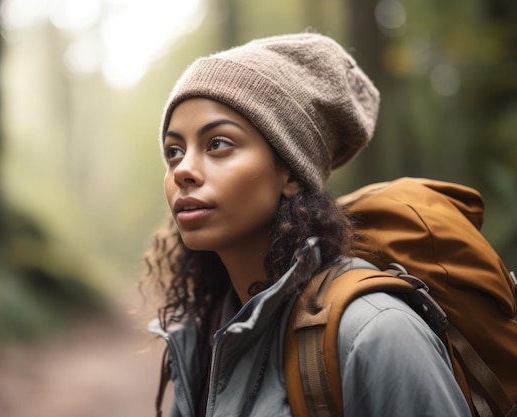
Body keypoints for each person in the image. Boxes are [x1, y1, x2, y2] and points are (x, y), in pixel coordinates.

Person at [143, 32, 472, 417]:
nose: (183, 170)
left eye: (217, 143)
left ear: (291, 172)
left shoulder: (374, 333)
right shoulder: (206, 337)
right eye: (174, 151)